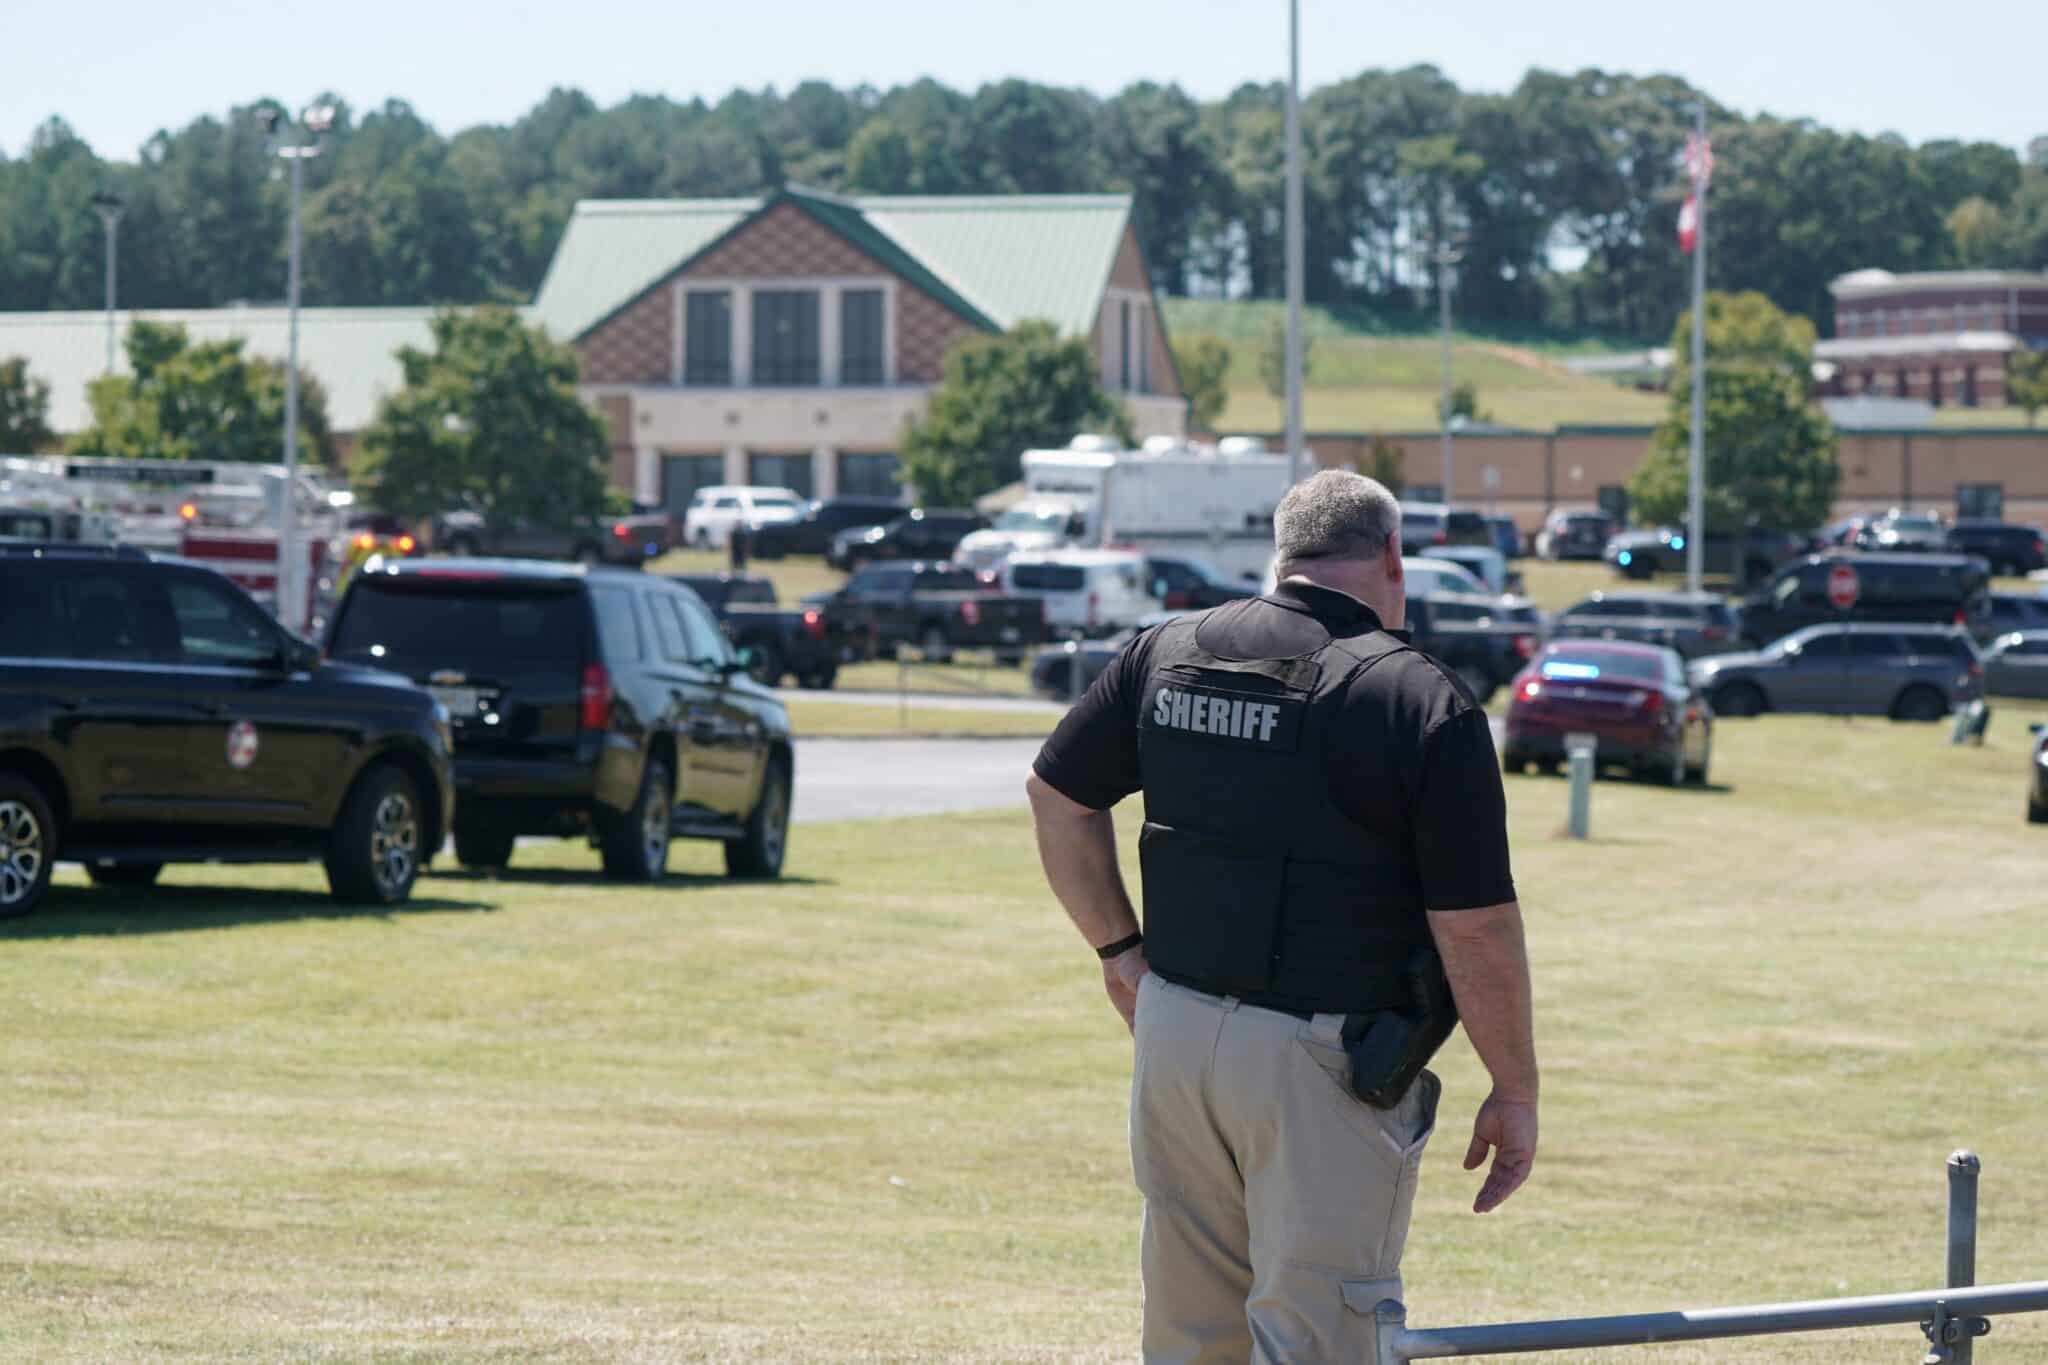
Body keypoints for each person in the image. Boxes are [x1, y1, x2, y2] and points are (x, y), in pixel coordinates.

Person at [1025, 468, 1538, 1364]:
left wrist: (1120, 954)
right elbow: (1475, 926)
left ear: (1283, 553)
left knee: (1191, 1341)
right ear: (1392, 556)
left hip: (1173, 1035)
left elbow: (1056, 796)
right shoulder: (1419, 698)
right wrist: (1515, 1086)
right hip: (1321, 1064)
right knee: (1318, 1341)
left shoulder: (1166, 648)